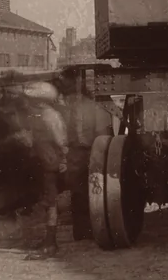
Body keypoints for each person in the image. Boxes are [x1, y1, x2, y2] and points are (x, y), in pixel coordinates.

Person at [57, 67, 113, 240]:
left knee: (85, 193)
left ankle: (86, 230)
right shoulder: (86, 108)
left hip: (87, 153)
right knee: (83, 193)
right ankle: (84, 230)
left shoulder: (91, 108)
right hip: (80, 153)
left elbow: (102, 135)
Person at [19, 81, 68, 259]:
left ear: (39, 100)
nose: (26, 102)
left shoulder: (50, 116)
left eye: (29, 99)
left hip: (50, 163)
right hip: (42, 162)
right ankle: (48, 239)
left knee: (51, 202)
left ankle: (51, 243)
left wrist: (63, 160)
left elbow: (61, 142)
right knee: (47, 202)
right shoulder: (37, 115)